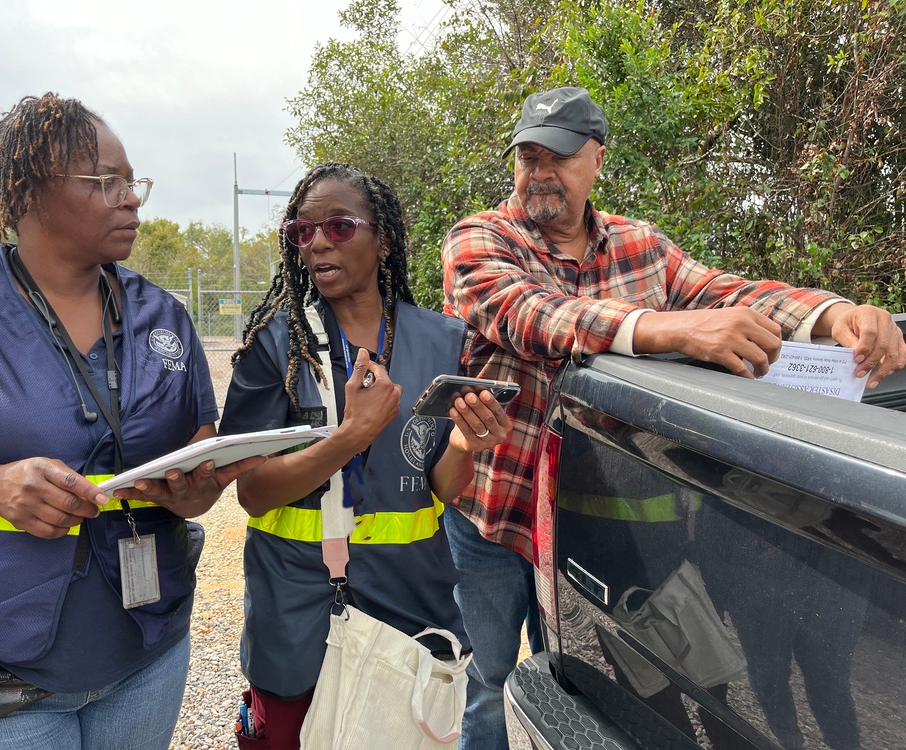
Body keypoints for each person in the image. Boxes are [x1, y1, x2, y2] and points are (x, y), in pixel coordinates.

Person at [440, 85, 906, 749]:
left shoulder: (642, 247)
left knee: (573, 676)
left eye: (561, 156)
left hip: (589, 525)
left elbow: (732, 294)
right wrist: (671, 330)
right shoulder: (481, 239)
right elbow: (530, 316)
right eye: (528, 156)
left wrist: (838, 316)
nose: (540, 171)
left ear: (597, 159)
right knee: (489, 677)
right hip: (498, 510)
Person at [0, 93, 261, 749]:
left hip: (144, 655)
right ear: (29, 193)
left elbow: (196, 446)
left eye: (134, 182)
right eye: (107, 183)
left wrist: (197, 487)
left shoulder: (162, 316)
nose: (132, 199)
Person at [219, 162, 513, 749]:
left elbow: (443, 486)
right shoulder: (277, 344)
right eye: (303, 231)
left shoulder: (442, 341)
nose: (320, 241)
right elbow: (251, 493)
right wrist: (349, 436)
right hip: (298, 613)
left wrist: (465, 443)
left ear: (382, 240)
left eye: (339, 226)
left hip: (410, 608)